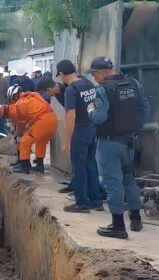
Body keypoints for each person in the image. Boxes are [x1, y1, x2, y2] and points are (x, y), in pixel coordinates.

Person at [86, 56, 150, 239]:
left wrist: (90, 110)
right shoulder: (134, 84)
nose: (94, 79)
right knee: (129, 179)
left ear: (99, 73)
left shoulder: (102, 91)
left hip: (109, 143)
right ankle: (136, 219)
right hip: (130, 142)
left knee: (113, 183)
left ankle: (118, 226)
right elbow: (145, 108)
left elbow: (100, 117)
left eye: (93, 75)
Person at [56, 59, 102, 213]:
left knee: (78, 167)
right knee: (91, 164)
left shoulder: (71, 89)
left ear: (62, 74)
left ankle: (82, 202)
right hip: (91, 127)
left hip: (80, 130)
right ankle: (96, 200)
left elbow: (71, 116)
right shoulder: (87, 83)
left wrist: (67, 142)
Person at [0, 85, 58, 174]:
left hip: (43, 121)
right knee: (41, 142)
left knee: (25, 141)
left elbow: (21, 125)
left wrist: (17, 135)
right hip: (53, 119)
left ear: (14, 95)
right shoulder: (33, 95)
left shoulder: (20, 104)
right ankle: (40, 166)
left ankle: (25, 166)